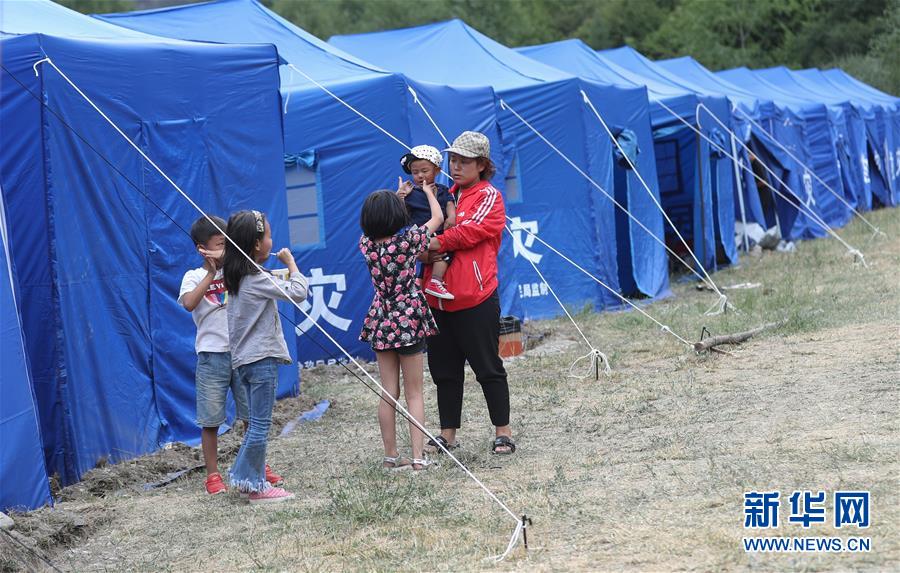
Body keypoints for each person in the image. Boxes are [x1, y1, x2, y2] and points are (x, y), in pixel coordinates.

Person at [421, 131, 515, 455]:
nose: (455, 166)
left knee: (488, 367)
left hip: (476, 297)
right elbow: (419, 228)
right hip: (437, 298)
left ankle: (503, 431)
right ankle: (447, 436)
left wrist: (436, 242)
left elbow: (471, 231)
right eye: (453, 160)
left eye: (464, 161)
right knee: (444, 371)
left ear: (482, 165)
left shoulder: (490, 196)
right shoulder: (442, 194)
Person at [178, 215, 285, 495]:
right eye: (220, 244)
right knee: (210, 419)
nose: (227, 250)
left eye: (230, 244)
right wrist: (212, 274)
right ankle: (213, 474)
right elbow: (189, 303)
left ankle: (258, 467)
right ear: (203, 248)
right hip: (211, 356)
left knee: (252, 416)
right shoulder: (193, 276)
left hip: (243, 355)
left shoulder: (239, 272)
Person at [223, 210, 308, 504]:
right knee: (260, 425)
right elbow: (298, 292)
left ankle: (249, 479)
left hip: (243, 362)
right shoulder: (254, 278)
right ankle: (254, 485)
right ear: (257, 244)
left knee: (255, 423)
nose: (272, 241)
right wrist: (291, 263)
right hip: (261, 360)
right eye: (268, 236)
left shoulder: (236, 276)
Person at [359, 182, 444, 471]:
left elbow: (380, 220)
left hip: (381, 319)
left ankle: (390, 456)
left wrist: (396, 198)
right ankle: (419, 457)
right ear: (397, 215)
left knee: (388, 392)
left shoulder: (366, 245)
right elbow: (438, 219)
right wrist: (429, 193)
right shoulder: (407, 242)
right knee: (415, 393)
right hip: (407, 318)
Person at [397, 145, 457, 299]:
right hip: (418, 234)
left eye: (425, 171)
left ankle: (434, 282)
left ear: (437, 171)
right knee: (425, 257)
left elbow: (450, 203)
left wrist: (451, 217)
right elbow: (402, 215)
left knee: (443, 254)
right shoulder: (412, 193)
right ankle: (421, 284)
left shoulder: (443, 190)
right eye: (415, 172)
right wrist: (401, 197)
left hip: (440, 234)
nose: (420, 175)